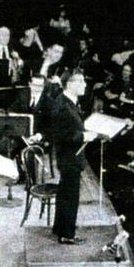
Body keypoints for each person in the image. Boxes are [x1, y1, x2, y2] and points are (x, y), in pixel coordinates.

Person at [51, 67, 87, 244]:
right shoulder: (63, 104)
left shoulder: (68, 101)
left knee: (65, 193)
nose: (85, 84)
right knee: (71, 196)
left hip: (69, 157)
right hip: (69, 157)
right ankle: (67, 234)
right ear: (70, 84)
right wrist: (85, 136)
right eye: (81, 81)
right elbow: (64, 134)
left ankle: (60, 227)